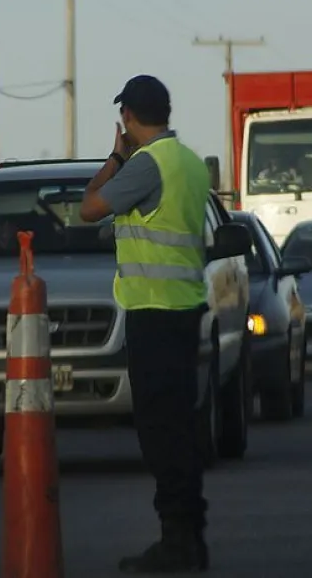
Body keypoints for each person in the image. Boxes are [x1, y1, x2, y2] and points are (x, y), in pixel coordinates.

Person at [79, 74, 211, 574]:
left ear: (129, 117)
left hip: (154, 315)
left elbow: (89, 208)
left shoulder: (145, 165)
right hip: (184, 309)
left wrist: (115, 158)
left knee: (161, 434)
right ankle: (190, 538)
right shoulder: (190, 163)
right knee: (180, 429)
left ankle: (177, 542)